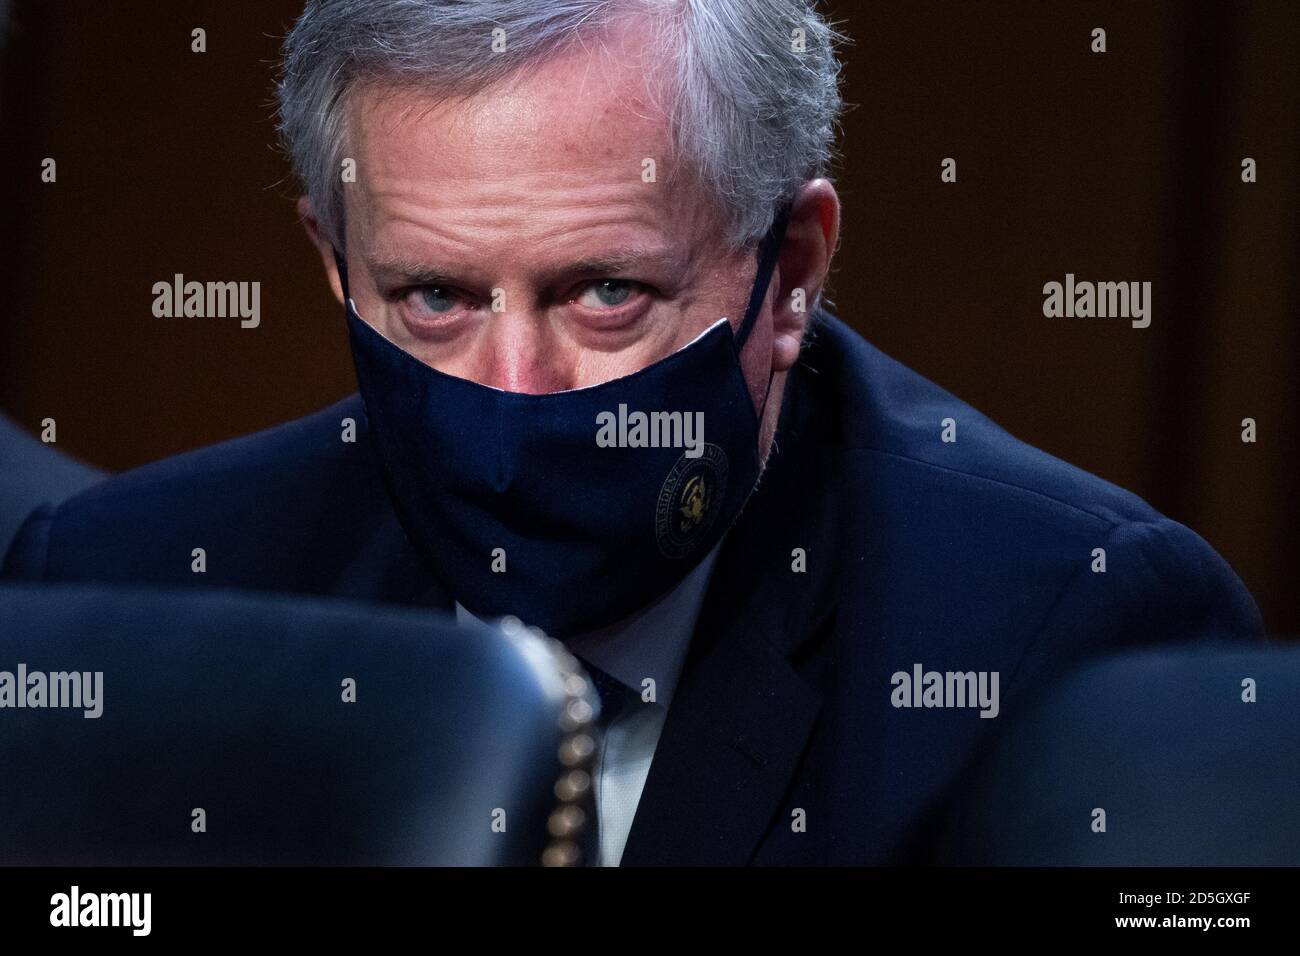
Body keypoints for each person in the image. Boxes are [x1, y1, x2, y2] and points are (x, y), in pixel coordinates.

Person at [1, 0, 1262, 865]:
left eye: (604, 291)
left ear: (793, 272)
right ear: (336, 270)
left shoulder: (1066, 634)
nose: (510, 396)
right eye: (433, 297)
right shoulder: (123, 587)